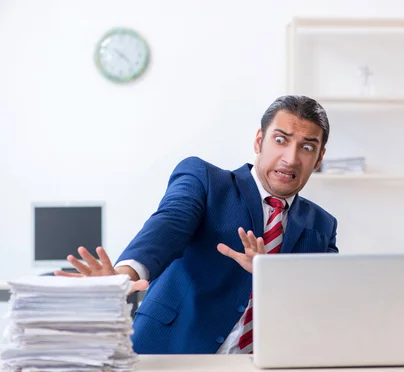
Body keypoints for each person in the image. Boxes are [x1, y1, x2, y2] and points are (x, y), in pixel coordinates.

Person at [56, 95, 339, 355]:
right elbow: (168, 225)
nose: (290, 158)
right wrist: (123, 275)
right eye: (280, 140)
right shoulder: (206, 181)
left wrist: (274, 276)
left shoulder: (322, 226)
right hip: (171, 356)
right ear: (259, 141)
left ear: (319, 159)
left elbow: (321, 304)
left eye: (306, 147)